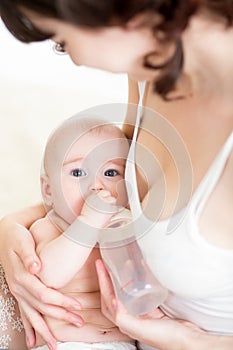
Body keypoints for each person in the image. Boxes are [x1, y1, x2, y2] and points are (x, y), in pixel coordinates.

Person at [0, 0, 233, 349]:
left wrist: (187, 341)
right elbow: (109, 181)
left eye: (62, 39)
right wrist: (13, 228)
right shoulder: (151, 71)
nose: (74, 58)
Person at [25, 115, 137, 350]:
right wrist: (89, 222)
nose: (96, 185)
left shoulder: (126, 229)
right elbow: (49, 275)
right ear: (48, 190)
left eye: (110, 173)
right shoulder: (49, 228)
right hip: (67, 343)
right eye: (78, 173)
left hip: (122, 343)